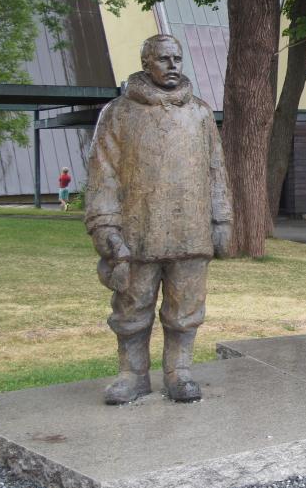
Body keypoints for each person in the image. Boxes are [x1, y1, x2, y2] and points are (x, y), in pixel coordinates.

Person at [86, 34, 233, 404]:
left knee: (185, 308)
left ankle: (179, 372)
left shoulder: (199, 113)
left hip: (190, 230)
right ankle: (132, 374)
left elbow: (217, 169)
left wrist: (221, 219)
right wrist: (105, 225)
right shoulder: (118, 113)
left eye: (177, 59)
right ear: (146, 63)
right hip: (138, 231)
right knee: (131, 307)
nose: (172, 65)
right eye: (164, 58)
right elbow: (103, 173)